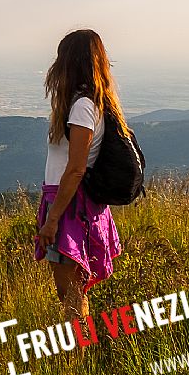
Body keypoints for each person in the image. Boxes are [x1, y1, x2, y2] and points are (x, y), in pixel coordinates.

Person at [34, 29, 125, 320]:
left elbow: (75, 169)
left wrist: (52, 220)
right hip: (67, 203)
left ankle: (79, 356)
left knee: (70, 293)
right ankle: (80, 351)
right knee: (72, 292)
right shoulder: (88, 103)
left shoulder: (83, 106)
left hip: (69, 207)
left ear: (71, 62)